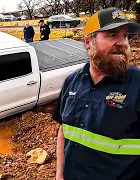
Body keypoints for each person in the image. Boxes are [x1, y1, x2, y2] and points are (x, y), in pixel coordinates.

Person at [52, 7, 140, 180]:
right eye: (113, 35)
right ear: (88, 42)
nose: (123, 42)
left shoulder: (137, 86)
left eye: (126, 36)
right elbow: (64, 131)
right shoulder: (72, 82)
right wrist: (59, 175)